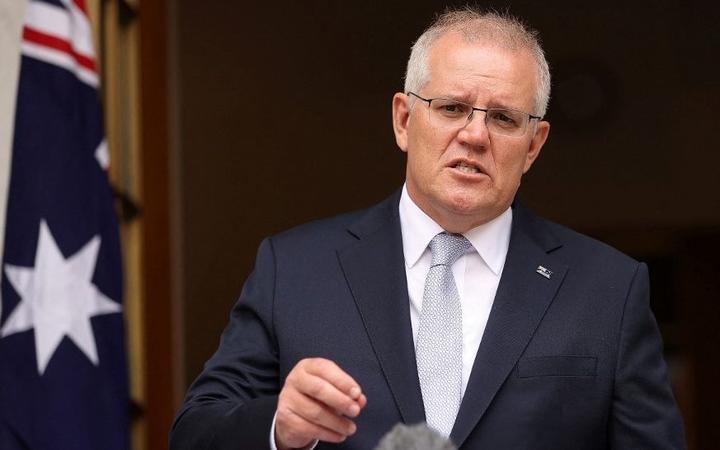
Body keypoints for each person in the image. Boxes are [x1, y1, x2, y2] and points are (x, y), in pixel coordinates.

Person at [169, 8, 685, 450]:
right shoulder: (296, 269)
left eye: (504, 119)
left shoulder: (608, 290)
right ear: (403, 119)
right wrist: (279, 427)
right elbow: (195, 431)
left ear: (534, 145)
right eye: (453, 108)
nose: (474, 135)